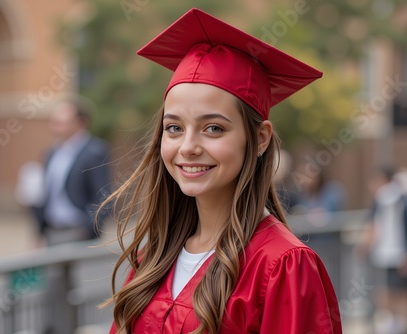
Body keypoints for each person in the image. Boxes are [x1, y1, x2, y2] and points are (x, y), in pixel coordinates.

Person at [100, 8, 341, 334]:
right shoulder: (152, 261)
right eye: (173, 128)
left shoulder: (282, 266)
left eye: (213, 128)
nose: (188, 146)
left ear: (259, 138)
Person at [38, 95, 112, 245]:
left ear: (81, 122)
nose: (56, 122)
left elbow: (104, 197)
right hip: (52, 232)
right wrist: (39, 230)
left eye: (63, 118)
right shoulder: (52, 152)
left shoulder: (95, 152)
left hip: (79, 233)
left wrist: (87, 229)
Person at [358, 167, 407, 334]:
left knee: (399, 293)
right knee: (384, 291)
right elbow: (375, 225)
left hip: (398, 253)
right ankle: (395, 322)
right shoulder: (381, 200)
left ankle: (399, 323)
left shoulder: (401, 198)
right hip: (383, 254)